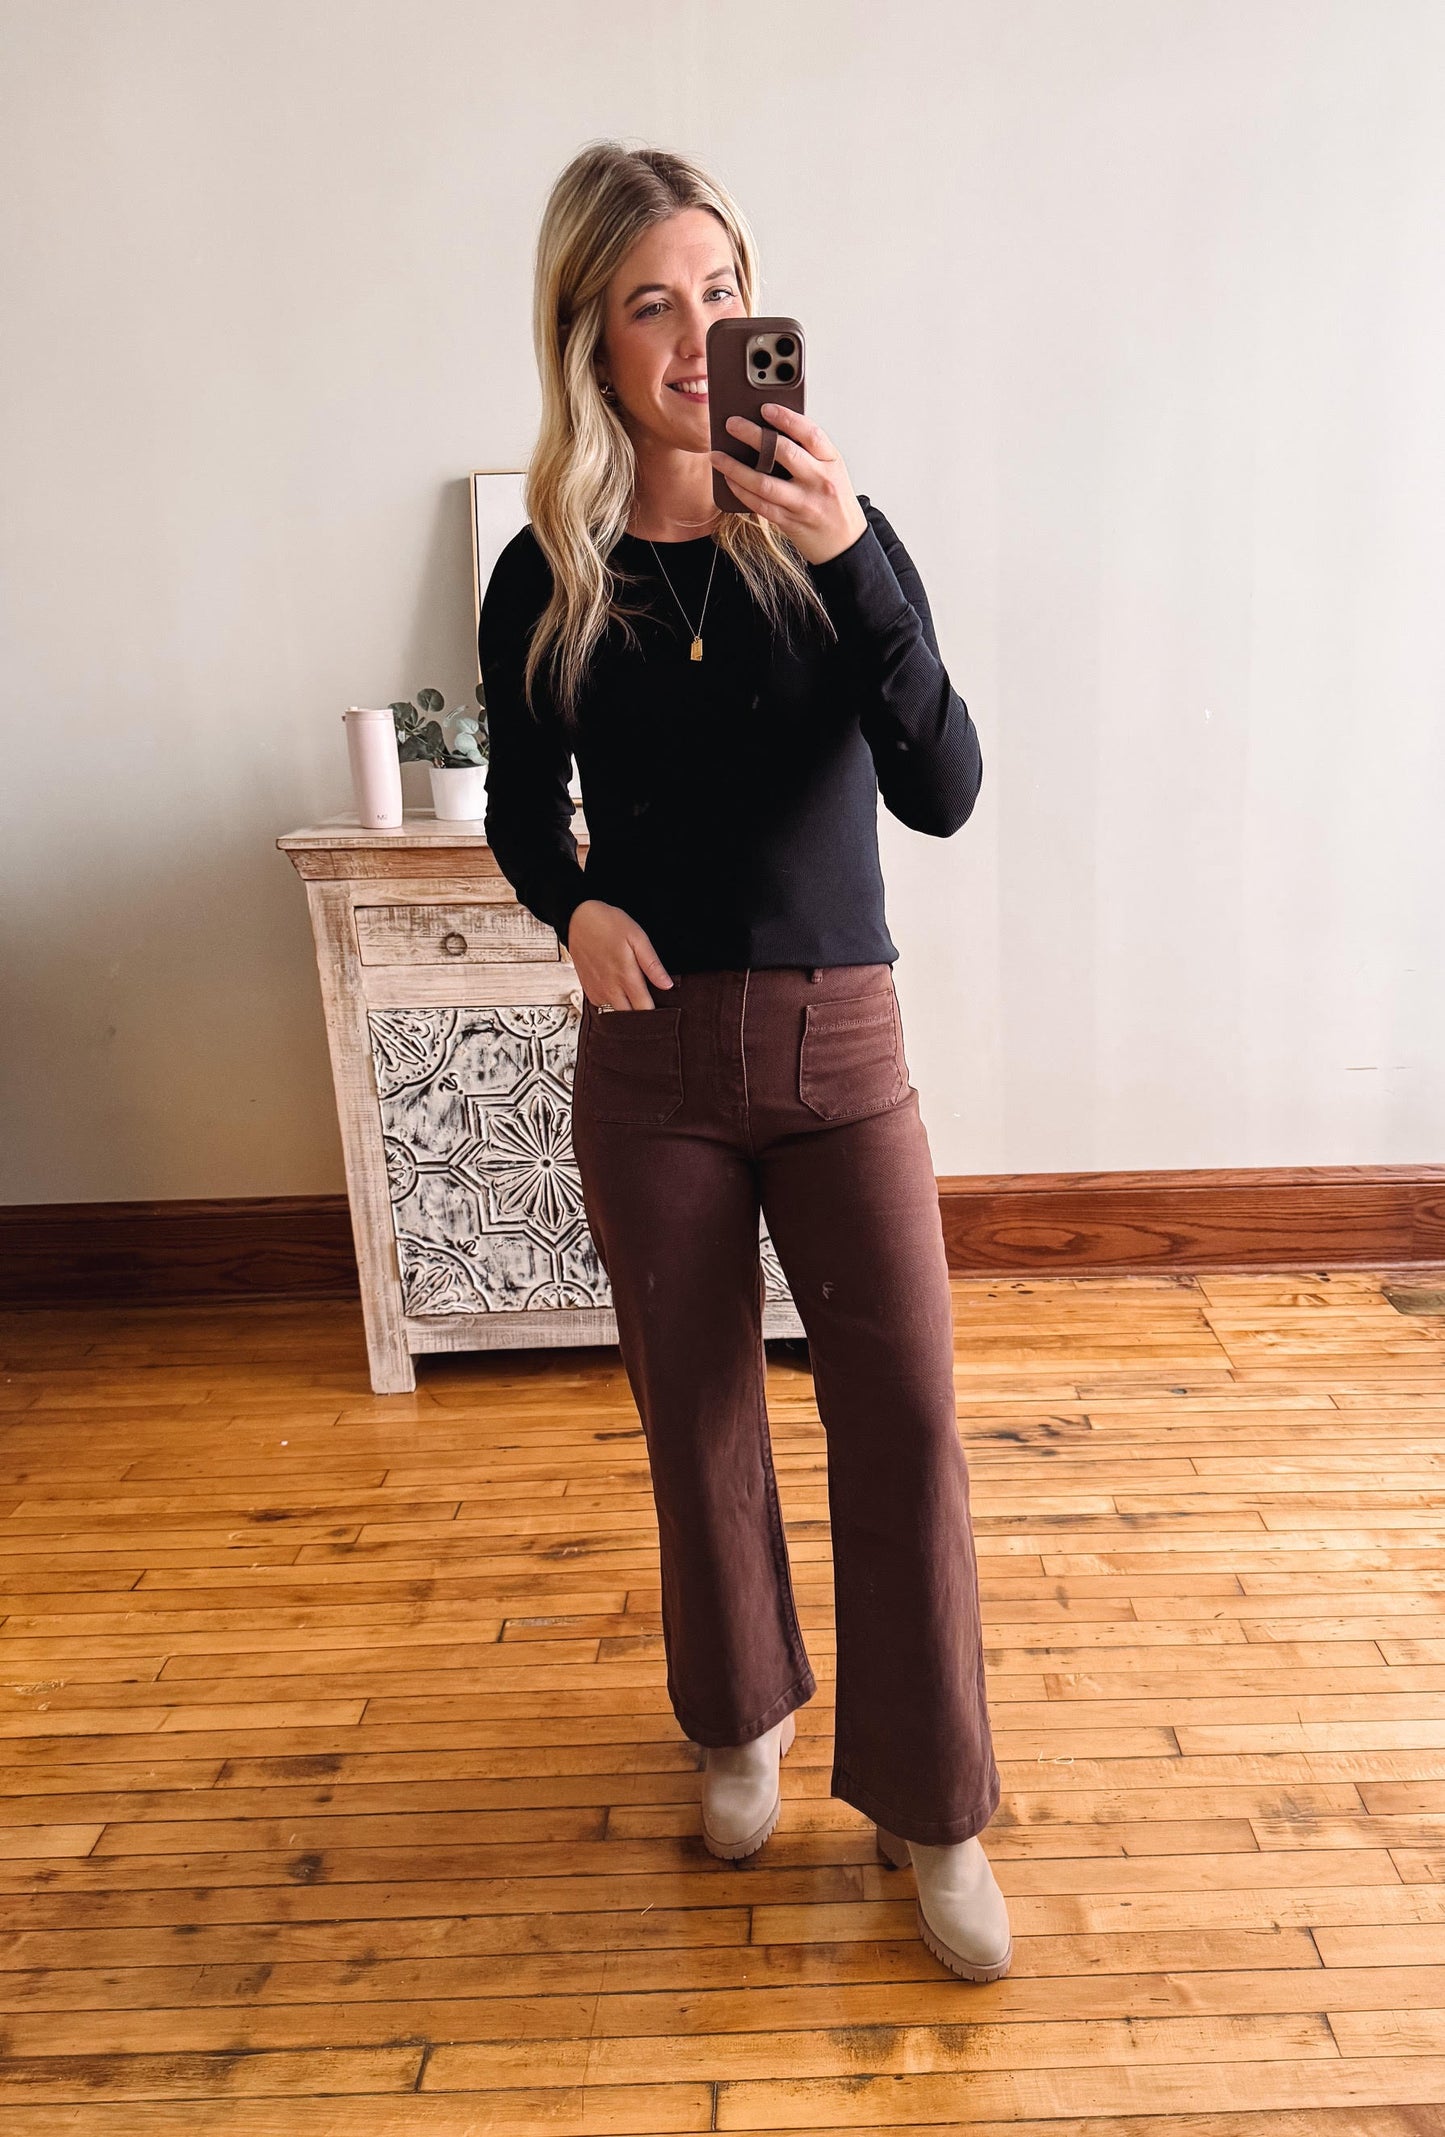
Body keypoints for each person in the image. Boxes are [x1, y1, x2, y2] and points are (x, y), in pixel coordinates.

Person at [479, 140, 1011, 1983]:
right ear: (592, 343)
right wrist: (569, 908)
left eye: (720, 292)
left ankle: (936, 1807)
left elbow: (942, 789)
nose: (699, 334)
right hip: (650, 1061)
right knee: (692, 1410)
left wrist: (848, 553)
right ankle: (741, 1717)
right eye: (651, 303)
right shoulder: (547, 571)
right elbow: (525, 806)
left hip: (842, 1039)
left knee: (911, 1417)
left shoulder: (838, 536)